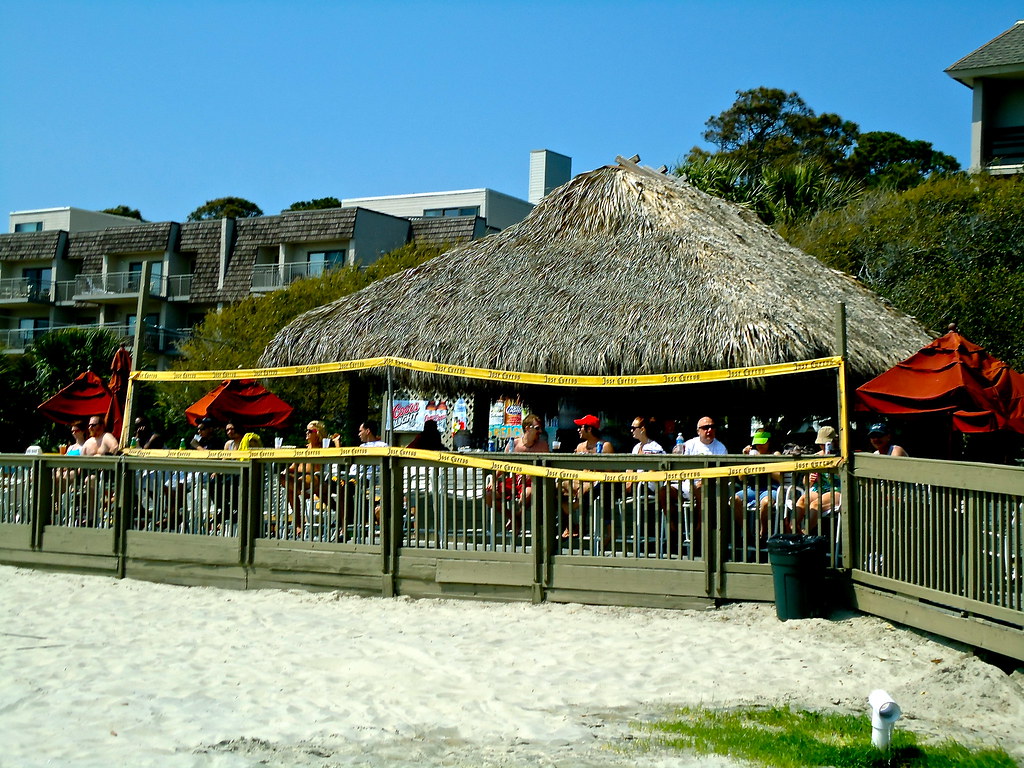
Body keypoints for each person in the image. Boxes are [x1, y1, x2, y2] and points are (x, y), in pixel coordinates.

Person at [485, 413, 548, 529]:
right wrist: (493, 480)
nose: (540, 431)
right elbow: (503, 465)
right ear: (527, 428)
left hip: (532, 482)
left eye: (541, 428)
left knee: (527, 494)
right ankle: (514, 518)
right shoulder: (513, 445)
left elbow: (547, 468)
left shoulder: (543, 446)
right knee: (489, 494)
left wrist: (533, 473)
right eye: (537, 428)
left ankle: (518, 516)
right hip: (514, 481)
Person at [278, 420, 329, 536]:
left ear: (318, 433)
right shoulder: (304, 449)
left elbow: (317, 467)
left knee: (292, 487)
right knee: (284, 479)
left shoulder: (322, 448)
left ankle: (298, 524)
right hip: (299, 479)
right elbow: (292, 467)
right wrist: (285, 472)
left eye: (310, 431)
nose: (307, 433)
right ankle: (298, 522)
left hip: (314, 478)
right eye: (306, 430)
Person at [734, 430, 782, 542]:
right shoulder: (752, 455)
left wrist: (763, 465)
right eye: (757, 443)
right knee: (734, 499)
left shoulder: (775, 454)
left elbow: (779, 477)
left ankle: (762, 532)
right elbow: (741, 478)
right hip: (752, 488)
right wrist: (745, 459)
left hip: (770, 488)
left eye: (762, 442)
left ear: (769, 442)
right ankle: (746, 532)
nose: (759, 446)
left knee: (766, 503)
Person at [795, 426, 842, 535]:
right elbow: (805, 483)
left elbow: (846, 478)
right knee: (802, 500)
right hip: (819, 488)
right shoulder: (816, 456)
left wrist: (836, 471)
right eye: (821, 444)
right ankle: (793, 531)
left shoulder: (842, 456)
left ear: (835, 441)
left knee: (815, 505)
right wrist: (809, 478)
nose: (823, 447)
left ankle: (804, 533)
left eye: (826, 444)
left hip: (837, 490)